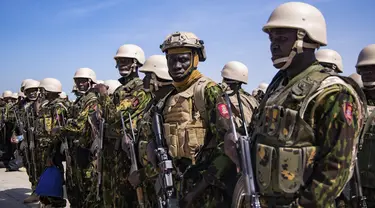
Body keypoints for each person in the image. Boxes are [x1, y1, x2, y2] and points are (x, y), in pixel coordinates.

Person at [226, 2, 365, 207]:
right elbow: (258, 127)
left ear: (306, 39)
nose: (273, 45)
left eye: (281, 38)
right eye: (272, 39)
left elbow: (336, 169)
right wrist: (233, 137)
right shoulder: (278, 83)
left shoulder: (332, 93)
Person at [147, 31, 237, 207]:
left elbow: (226, 145)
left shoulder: (208, 91)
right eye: (172, 60)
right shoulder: (168, 99)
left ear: (195, 59)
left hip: (207, 192)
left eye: (183, 59)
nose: (177, 65)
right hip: (177, 188)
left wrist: (198, 189)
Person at [34, 78, 67, 207]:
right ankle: (46, 202)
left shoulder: (58, 107)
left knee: (54, 179)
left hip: (52, 149)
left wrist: (51, 153)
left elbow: (57, 132)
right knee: (45, 178)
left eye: (43, 90)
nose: (41, 93)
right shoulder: (47, 105)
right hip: (44, 148)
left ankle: (56, 203)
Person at [356, 44, 375, 207]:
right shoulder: (352, 101)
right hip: (355, 184)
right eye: (364, 69)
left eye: (373, 68)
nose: (368, 73)